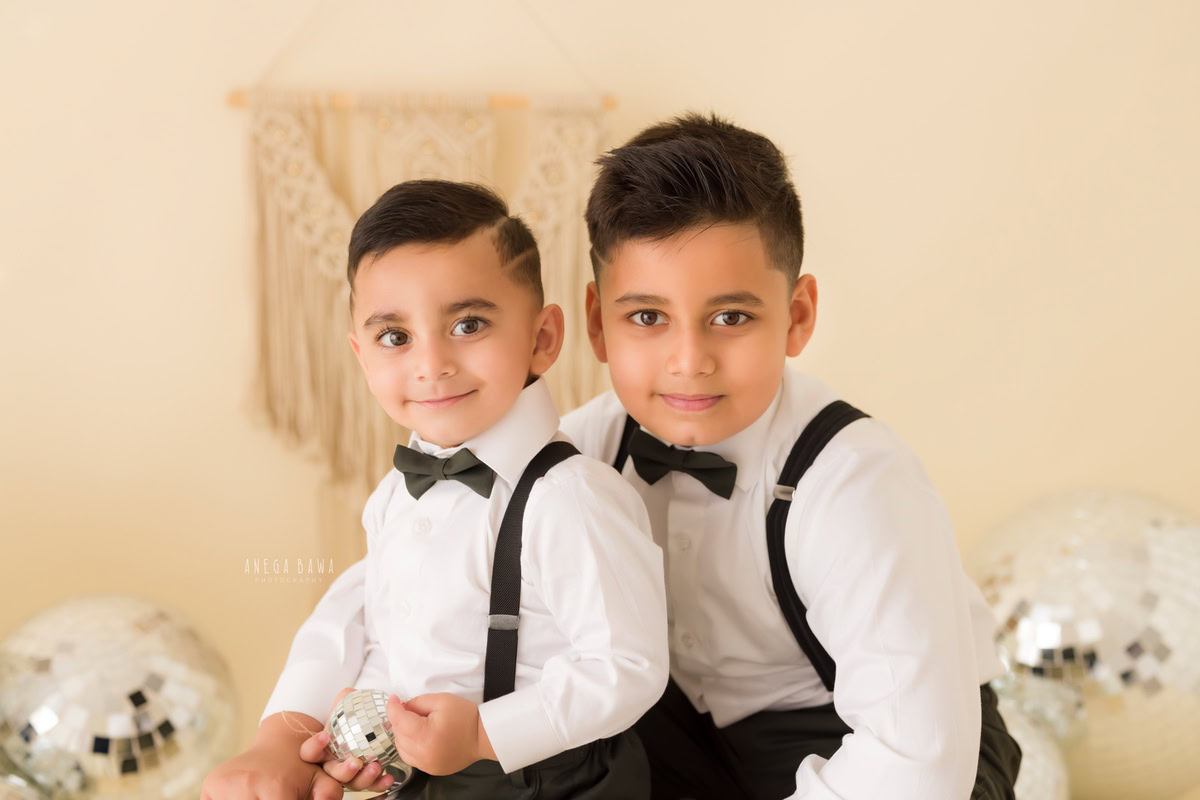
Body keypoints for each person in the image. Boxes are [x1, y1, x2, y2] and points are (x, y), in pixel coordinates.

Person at [556, 111, 1022, 800]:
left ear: (798, 315)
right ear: (598, 324)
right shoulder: (583, 453)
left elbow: (915, 763)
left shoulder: (856, 479)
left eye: (731, 317)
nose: (689, 362)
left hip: (884, 743)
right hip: (687, 743)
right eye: (647, 318)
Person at [201, 179, 668, 800]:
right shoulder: (398, 491)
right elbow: (366, 615)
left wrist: (483, 733)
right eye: (395, 337)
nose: (431, 364)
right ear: (361, 355)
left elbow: (627, 668)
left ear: (542, 338)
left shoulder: (570, 497)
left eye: (468, 324)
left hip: (554, 782)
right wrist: (297, 733)